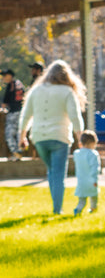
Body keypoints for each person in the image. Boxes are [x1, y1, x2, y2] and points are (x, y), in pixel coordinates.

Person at [18, 60, 85, 215]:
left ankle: (56, 206)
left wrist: (23, 136)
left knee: (51, 171)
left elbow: (26, 115)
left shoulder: (36, 90)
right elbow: (75, 117)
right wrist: (80, 137)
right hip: (60, 137)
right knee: (58, 173)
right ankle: (57, 209)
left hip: (39, 138)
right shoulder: (67, 91)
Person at [73, 130, 101, 215]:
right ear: (92, 142)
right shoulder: (93, 154)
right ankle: (93, 209)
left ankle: (78, 209)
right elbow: (95, 168)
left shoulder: (77, 153)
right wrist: (95, 180)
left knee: (82, 200)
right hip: (91, 181)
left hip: (81, 181)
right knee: (93, 197)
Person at [1, 69, 25, 159]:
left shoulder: (11, 85)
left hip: (14, 113)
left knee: (9, 134)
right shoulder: (19, 83)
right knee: (19, 133)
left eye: (5, 75)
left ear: (10, 75)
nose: (3, 78)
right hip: (22, 112)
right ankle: (19, 152)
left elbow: (4, 103)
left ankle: (16, 152)